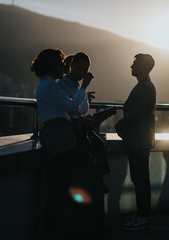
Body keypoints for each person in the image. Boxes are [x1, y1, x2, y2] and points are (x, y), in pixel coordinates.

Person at [31, 48, 103, 239]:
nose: (63, 69)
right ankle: (60, 228)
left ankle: (60, 227)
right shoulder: (51, 86)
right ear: (52, 66)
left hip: (59, 134)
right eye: (60, 65)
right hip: (58, 135)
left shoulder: (47, 85)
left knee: (63, 181)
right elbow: (71, 107)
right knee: (64, 181)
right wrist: (84, 88)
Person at [115, 53, 156, 231]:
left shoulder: (144, 87)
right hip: (138, 139)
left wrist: (119, 125)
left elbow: (135, 113)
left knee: (140, 179)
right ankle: (141, 214)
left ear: (144, 66)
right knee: (139, 178)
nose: (131, 66)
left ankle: (143, 216)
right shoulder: (143, 86)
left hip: (139, 140)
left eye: (135, 63)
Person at [58, 52, 110, 192]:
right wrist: (84, 88)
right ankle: (96, 185)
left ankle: (98, 183)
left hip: (80, 131)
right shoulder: (62, 86)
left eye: (84, 70)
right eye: (77, 68)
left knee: (98, 144)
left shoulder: (78, 88)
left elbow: (80, 109)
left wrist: (86, 109)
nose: (80, 73)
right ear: (71, 66)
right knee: (86, 160)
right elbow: (68, 111)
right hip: (69, 134)